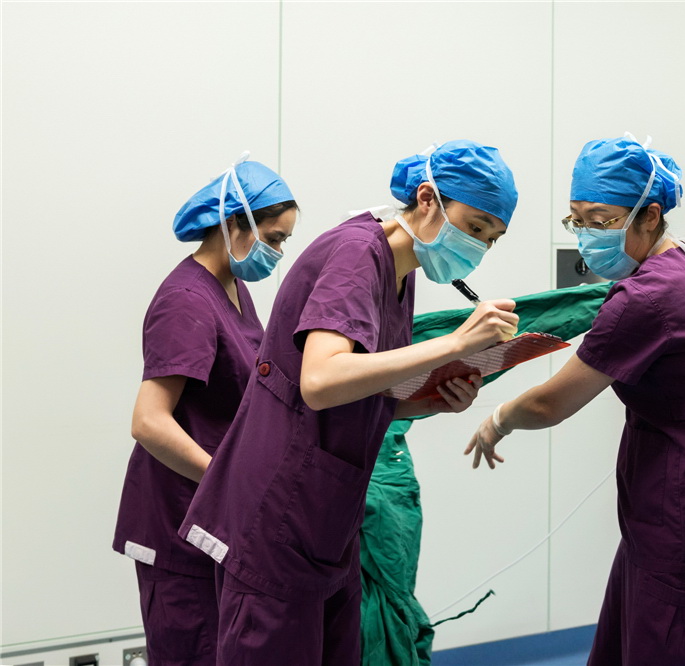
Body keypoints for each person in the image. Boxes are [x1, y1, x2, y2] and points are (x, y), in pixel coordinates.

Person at [179, 140, 519, 665]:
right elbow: (319, 380)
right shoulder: (358, 252)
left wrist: (429, 400)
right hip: (278, 513)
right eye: (474, 227)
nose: (478, 247)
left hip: (328, 517)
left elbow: (358, 391)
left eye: (491, 239)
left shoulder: (399, 272)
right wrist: (454, 344)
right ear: (427, 199)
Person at [465, 134, 685, 666]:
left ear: (651, 216)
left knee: (662, 646)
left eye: (601, 221)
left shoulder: (643, 299)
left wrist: (499, 418)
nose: (588, 236)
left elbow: (551, 404)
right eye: (577, 221)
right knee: (627, 641)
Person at [112, 153, 298, 666]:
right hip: (179, 523)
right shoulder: (187, 299)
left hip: (213, 522)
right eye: (274, 238)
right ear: (233, 223)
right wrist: (230, 483)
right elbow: (149, 422)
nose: (278, 252)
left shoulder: (233, 287)